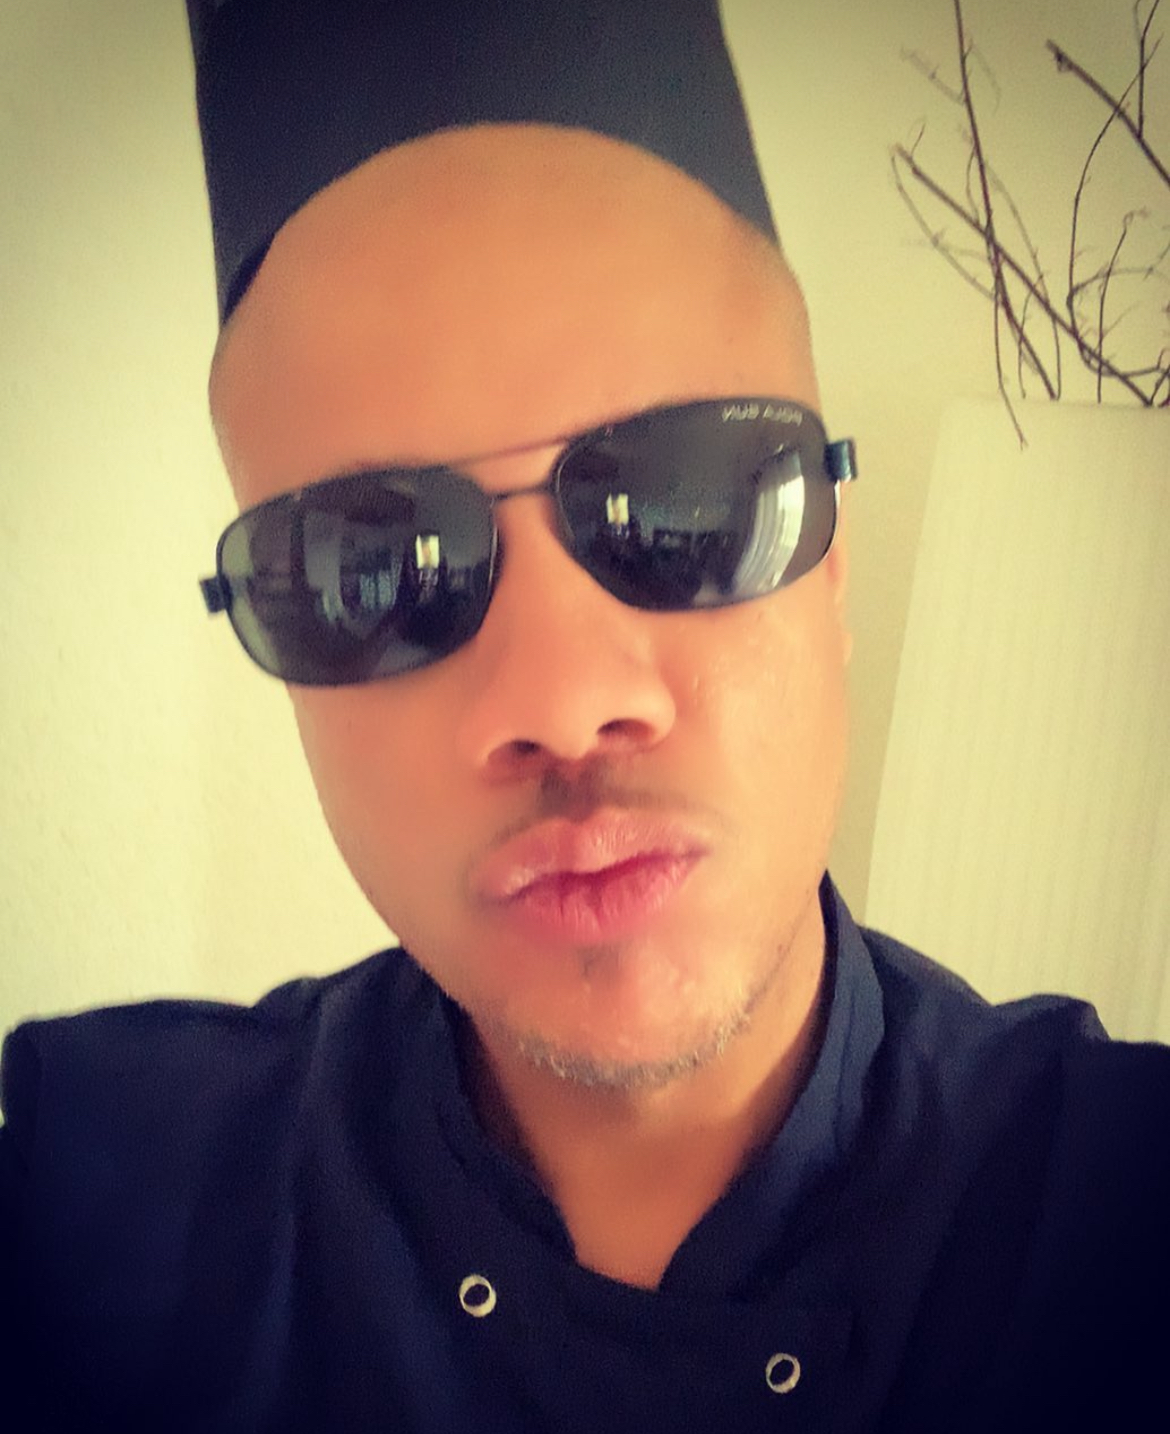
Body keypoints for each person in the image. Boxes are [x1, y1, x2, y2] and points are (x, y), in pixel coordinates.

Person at [2, 1, 1167, 1430]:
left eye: (690, 504)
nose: (563, 704)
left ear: (831, 562)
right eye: (371, 572)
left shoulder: (1123, 1226)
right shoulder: (99, 1222)